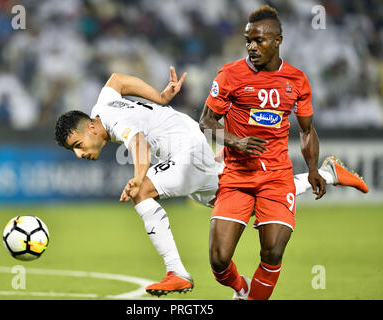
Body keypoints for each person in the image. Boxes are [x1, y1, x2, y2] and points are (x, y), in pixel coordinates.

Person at [54, 67, 368, 297]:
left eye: (78, 146)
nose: (80, 154)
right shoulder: (101, 107)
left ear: (93, 129)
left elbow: (138, 142)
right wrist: (160, 97)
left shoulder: (112, 119)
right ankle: (329, 174)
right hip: (186, 144)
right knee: (232, 196)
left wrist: (138, 178)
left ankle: (176, 272)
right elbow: (116, 80)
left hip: (186, 148)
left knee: (144, 192)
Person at [198, 5, 363, 300]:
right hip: (237, 175)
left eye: (259, 40)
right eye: (248, 40)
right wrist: (236, 142)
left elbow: (307, 130)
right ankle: (241, 288)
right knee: (219, 259)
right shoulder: (230, 75)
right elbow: (206, 122)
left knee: (272, 250)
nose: (251, 47)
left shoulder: (297, 80)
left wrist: (312, 168)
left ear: (277, 41)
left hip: (276, 177)